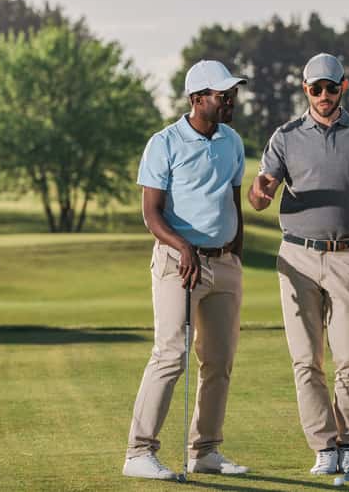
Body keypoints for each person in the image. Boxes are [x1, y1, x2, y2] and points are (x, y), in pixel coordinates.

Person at [248, 53, 349, 481]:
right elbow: (262, 195)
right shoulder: (286, 136)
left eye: (331, 87)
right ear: (305, 90)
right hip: (295, 256)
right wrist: (258, 193)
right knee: (306, 360)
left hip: (346, 255)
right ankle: (323, 446)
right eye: (315, 88)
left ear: (343, 87)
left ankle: (348, 446)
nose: (323, 95)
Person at [123, 60, 250, 480]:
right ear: (197, 99)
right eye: (222, 94)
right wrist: (183, 247)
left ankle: (205, 452)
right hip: (180, 264)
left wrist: (236, 252)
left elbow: (233, 199)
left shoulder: (232, 141)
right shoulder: (164, 143)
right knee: (170, 354)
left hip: (224, 265)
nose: (230, 100)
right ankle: (139, 452)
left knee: (219, 361)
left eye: (232, 93)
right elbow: (151, 214)